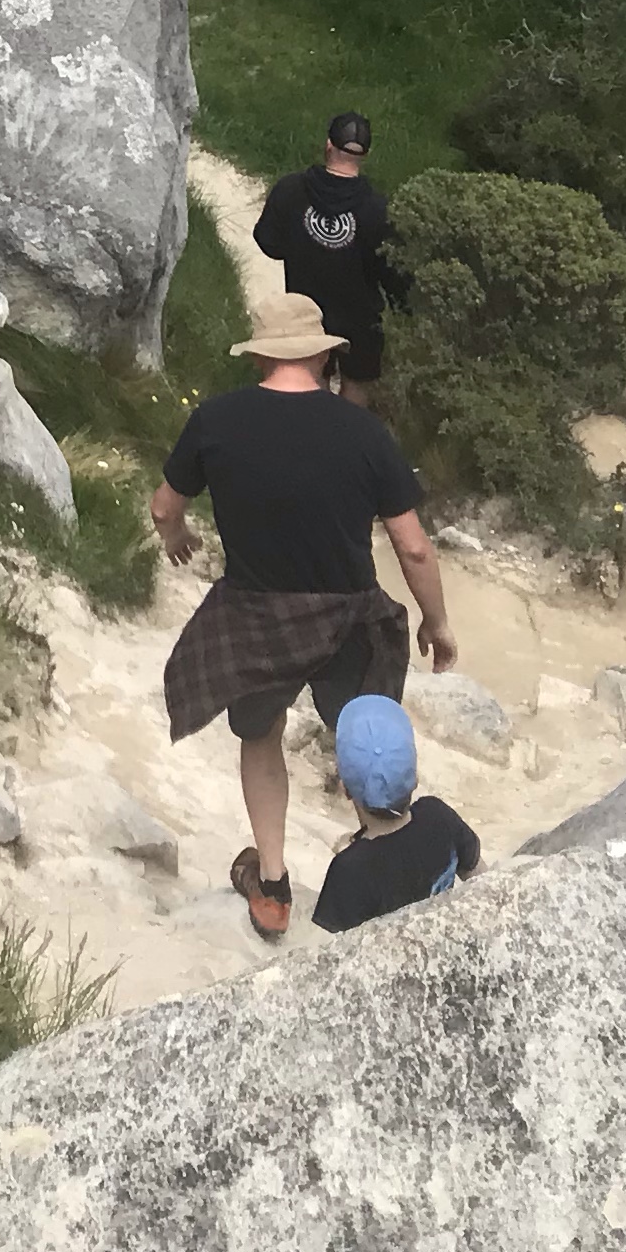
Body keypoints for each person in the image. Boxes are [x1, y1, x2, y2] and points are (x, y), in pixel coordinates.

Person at [151, 288, 458, 937]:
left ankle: (272, 886)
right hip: (348, 617)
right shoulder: (363, 431)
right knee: (366, 735)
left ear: (259, 357)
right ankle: (393, 863)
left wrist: (177, 538)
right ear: (322, 357)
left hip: (257, 615)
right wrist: (436, 622)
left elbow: (162, 507)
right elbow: (413, 547)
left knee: (261, 735)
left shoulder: (215, 421)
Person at [252, 113, 404, 404]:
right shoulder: (379, 209)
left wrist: (303, 245)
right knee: (356, 386)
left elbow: (268, 242)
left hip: (305, 311)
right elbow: (392, 273)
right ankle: (346, 431)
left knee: (310, 379)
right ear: (365, 155)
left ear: (328, 145)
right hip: (360, 317)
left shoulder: (291, 190)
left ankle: (313, 427)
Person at [312, 693, 481, 934]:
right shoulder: (439, 816)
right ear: (415, 778)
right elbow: (482, 881)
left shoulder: (349, 871)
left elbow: (337, 949)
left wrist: (351, 852)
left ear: (345, 789)